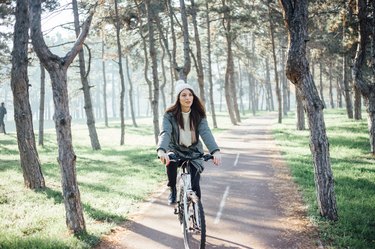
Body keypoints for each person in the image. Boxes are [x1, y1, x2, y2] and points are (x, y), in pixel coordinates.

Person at [157, 80, 221, 205]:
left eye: (190, 95)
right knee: (171, 160)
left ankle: (197, 215)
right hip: (175, 149)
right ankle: (173, 190)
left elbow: (205, 132)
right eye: (184, 95)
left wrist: (215, 151)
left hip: (194, 152)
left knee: (196, 187)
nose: (188, 98)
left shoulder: (198, 115)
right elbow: (166, 132)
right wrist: (161, 150)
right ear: (178, 98)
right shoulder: (169, 115)